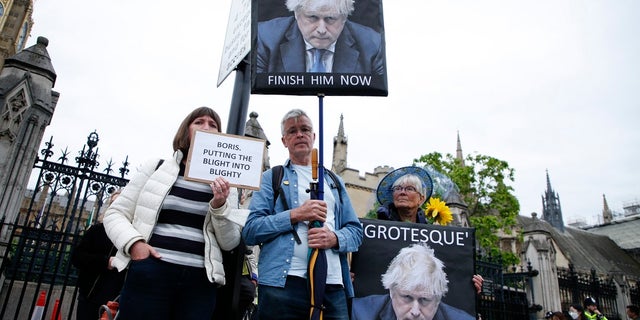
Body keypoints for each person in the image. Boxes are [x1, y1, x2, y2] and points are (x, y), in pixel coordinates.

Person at [103, 106, 245, 320]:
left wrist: (219, 205)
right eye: (199, 122)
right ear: (185, 131)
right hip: (151, 273)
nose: (206, 127)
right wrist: (134, 245)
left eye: (213, 125)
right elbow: (115, 213)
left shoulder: (227, 184)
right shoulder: (156, 167)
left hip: (199, 282)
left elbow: (229, 242)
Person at [242, 108, 363, 320]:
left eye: (305, 129)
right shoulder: (271, 177)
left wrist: (334, 238)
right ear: (284, 140)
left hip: (332, 285)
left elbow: (355, 232)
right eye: (292, 131)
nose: (300, 134)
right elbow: (251, 230)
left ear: (314, 136)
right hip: (283, 284)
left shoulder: (334, 181)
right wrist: (296, 214)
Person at [375, 166, 484, 293]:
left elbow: (449, 271)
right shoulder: (376, 230)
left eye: (409, 188)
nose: (402, 192)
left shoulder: (434, 236)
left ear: (421, 198)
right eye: (397, 189)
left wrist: (470, 282)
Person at [256, 0, 384, 74]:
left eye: (330, 19)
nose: (321, 30)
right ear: (296, 14)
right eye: (312, 17)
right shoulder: (265, 37)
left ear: (344, 18)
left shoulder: (373, 45)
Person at [351, 243, 474, 320]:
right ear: (391, 292)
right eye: (407, 297)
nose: (415, 312)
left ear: (438, 300)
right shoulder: (359, 311)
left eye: (424, 299)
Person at [72, 190, 126, 320]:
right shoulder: (97, 231)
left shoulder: (132, 235)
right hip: (90, 295)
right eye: (112, 203)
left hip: (116, 299)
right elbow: (77, 257)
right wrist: (105, 262)